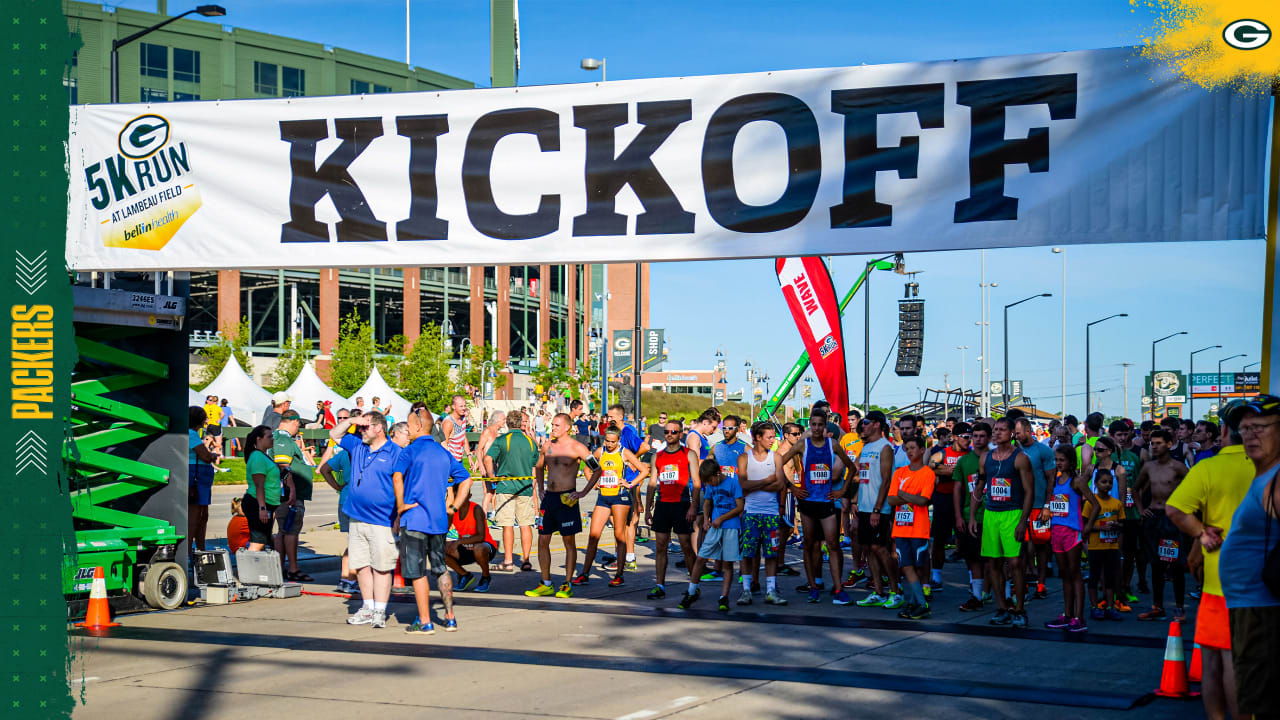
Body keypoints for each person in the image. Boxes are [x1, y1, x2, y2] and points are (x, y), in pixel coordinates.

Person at [1166, 401, 1253, 720]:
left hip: (1219, 580)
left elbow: (1176, 510)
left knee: (1217, 662)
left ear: (1226, 432)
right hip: (1263, 584)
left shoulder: (1209, 467)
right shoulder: (1269, 467)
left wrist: (1202, 534)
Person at [1217, 394, 1280, 720]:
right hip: (1253, 605)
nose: (1249, 436)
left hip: (1262, 609)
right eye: (1245, 428)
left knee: (1257, 699)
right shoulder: (1265, 475)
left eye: (1261, 428)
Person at [394, 407, 471, 634]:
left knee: (417, 572)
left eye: (408, 426)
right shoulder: (442, 452)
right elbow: (465, 480)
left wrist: (400, 506)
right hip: (438, 520)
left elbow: (397, 477)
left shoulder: (408, 451)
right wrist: (454, 506)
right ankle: (450, 617)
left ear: (418, 426)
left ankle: (425, 620)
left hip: (414, 519)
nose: (407, 431)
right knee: (440, 568)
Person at [775, 409, 857, 605]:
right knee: (810, 545)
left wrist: (842, 491)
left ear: (825, 425)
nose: (818, 428)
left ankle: (838, 588)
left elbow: (851, 467)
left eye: (821, 424)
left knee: (833, 546)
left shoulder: (833, 444)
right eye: (814, 424)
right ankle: (813, 587)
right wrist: (792, 488)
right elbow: (778, 463)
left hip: (827, 502)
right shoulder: (803, 444)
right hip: (807, 502)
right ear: (810, 426)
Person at [329, 411, 402, 629]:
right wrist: (352, 421)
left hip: (382, 520)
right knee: (361, 565)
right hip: (357, 517)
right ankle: (367, 607)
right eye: (360, 427)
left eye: (366, 427)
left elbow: (403, 486)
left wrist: (399, 516)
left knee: (381, 567)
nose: (361, 430)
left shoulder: (395, 452)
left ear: (378, 428)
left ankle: (380, 611)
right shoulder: (358, 445)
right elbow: (334, 434)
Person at [526, 414, 602, 598]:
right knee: (543, 540)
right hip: (549, 499)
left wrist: (583, 492)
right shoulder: (547, 446)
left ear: (567, 427)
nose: (553, 428)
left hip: (567, 499)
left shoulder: (577, 447)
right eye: (552, 425)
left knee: (569, 542)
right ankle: (546, 583)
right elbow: (538, 466)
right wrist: (541, 488)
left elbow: (597, 469)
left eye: (557, 425)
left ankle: (567, 583)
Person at [974, 417, 1035, 628]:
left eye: (1001, 430)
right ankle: (1002, 608)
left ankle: (1019, 608)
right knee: (993, 563)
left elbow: (1029, 492)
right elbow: (980, 486)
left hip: (1013, 513)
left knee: (1016, 563)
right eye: (995, 430)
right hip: (991, 513)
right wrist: (973, 515)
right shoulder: (985, 458)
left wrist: (1022, 521)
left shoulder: (1020, 458)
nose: (997, 433)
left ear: (1011, 433)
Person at [577, 427, 648, 586]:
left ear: (618, 441)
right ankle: (585, 573)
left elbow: (643, 470)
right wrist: (593, 482)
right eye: (607, 441)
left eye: (612, 442)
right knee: (593, 535)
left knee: (619, 535)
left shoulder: (624, 453)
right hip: (603, 497)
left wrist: (630, 484)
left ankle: (619, 575)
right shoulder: (600, 452)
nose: (609, 444)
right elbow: (588, 468)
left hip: (620, 498)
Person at [1133, 428, 1190, 620]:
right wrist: (1142, 510)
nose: (1154, 446)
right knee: (1156, 565)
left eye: (1158, 443)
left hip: (1172, 519)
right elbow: (1135, 489)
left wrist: (1183, 511)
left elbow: (1194, 490)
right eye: (1152, 443)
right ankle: (1157, 606)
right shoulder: (1149, 467)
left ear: (1169, 444)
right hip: (1154, 518)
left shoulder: (1178, 467)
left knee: (1175, 564)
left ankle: (1180, 608)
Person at [1044, 445, 1100, 632]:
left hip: (1072, 532)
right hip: (1056, 531)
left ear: (1070, 461)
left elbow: (1095, 505)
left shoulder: (1077, 482)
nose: (1059, 463)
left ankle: (1079, 617)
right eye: (1057, 460)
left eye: (1062, 460)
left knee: (1075, 574)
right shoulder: (1056, 481)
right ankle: (1067, 615)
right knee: (1065, 574)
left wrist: (1088, 527)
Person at [645, 419, 701, 600]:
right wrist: (647, 509)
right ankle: (659, 585)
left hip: (681, 504)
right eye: (667, 432)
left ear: (681, 434)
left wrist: (693, 506)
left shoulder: (688, 454)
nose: (669, 435)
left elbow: (697, 484)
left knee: (686, 546)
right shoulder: (658, 456)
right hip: (662, 505)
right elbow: (652, 483)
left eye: (674, 432)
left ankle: (693, 586)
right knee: (660, 545)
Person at [678, 459, 745, 612]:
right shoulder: (710, 485)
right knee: (701, 558)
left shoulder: (733, 483)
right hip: (715, 526)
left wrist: (722, 518)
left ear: (718, 474)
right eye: (706, 482)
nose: (709, 484)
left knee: (727, 564)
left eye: (710, 480)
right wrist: (707, 519)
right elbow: (707, 502)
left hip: (731, 527)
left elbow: (740, 507)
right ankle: (691, 592)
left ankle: (724, 597)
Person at [855, 411, 904, 608]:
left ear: (876, 424)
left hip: (879, 508)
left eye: (865, 422)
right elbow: (861, 474)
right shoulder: (866, 447)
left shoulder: (885, 447)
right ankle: (878, 591)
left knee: (881, 549)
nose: (862, 426)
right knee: (868, 549)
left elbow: (886, 480)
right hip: (864, 506)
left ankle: (895, 590)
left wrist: (877, 508)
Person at [737, 421, 788, 606]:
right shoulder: (744, 458)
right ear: (757, 438)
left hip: (771, 513)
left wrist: (754, 484)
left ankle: (771, 590)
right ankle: (746, 590)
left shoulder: (776, 457)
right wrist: (767, 479)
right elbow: (743, 485)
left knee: (771, 554)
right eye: (769, 437)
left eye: (773, 437)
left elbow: (780, 484)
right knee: (748, 553)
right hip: (751, 512)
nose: (773, 440)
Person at [887, 436, 936, 619]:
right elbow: (891, 499)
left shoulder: (927, 473)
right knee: (906, 566)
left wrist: (902, 494)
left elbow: (924, 501)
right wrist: (910, 496)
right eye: (906, 448)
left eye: (913, 448)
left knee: (918, 566)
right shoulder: (899, 472)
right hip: (900, 528)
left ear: (922, 450)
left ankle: (917, 603)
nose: (909, 451)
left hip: (919, 528)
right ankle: (919, 604)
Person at [485, 410, 539, 572]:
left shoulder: (502, 440)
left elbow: (488, 458)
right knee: (525, 524)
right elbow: (536, 463)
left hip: (506, 487)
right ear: (520, 423)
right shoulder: (530, 442)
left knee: (507, 525)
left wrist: (491, 476)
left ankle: (508, 561)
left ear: (508, 423)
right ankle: (526, 560)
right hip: (525, 487)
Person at [272, 410, 316, 583]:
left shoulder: (276, 437)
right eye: (298, 424)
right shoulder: (283, 438)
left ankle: (281, 568)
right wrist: (292, 489)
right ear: (293, 422)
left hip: (283, 493)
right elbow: (283, 464)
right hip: (288, 495)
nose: (298, 428)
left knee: (283, 530)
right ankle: (293, 569)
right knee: (290, 530)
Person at [1016, 417, 1057, 600]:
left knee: (1042, 547)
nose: (1015, 436)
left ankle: (1041, 585)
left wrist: (1047, 506)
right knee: (1021, 548)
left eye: (1018, 433)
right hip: (1018, 507)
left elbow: (1051, 479)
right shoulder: (1013, 451)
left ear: (1027, 431)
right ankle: (1022, 583)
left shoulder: (1043, 451)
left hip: (1039, 507)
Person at [1110, 419, 1148, 606]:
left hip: (1132, 512)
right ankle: (1112, 588)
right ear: (1112, 436)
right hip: (1111, 512)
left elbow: (1146, 480)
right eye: (1119, 435)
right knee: (1113, 552)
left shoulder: (1139, 454)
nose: (1123, 438)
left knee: (1130, 552)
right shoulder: (1108, 456)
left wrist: (1141, 505)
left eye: (1126, 434)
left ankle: (1126, 586)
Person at [926, 422, 966, 594]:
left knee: (968, 542)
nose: (969, 439)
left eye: (970, 436)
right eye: (965, 436)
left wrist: (949, 471)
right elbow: (929, 466)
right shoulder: (944, 452)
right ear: (955, 437)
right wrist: (946, 470)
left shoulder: (971, 454)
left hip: (964, 500)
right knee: (939, 541)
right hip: (943, 499)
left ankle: (975, 581)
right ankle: (936, 578)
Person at [952, 422, 988, 611]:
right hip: (969, 517)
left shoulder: (996, 458)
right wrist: (958, 516)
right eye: (975, 436)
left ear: (989, 438)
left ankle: (1005, 596)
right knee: (972, 558)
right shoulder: (964, 462)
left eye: (982, 436)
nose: (978, 439)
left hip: (992, 516)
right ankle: (976, 595)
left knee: (995, 561)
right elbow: (957, 490)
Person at [1083, 468, 1125, 622]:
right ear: (1095, 484)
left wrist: (1116, 526)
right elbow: (1085, 526)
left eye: (1110, 482)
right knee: (1094, 577)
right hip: (1095, 547)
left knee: (1110, 579)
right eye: (1103, 482)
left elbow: (1122, 524)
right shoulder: (1090, 503)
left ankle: (1109, 607)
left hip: (1111, 547)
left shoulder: (1117, 504)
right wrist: (1101, 528)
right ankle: (1094, 607)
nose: (1107, 485)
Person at [242, 425, 289, 552]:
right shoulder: (257, 457)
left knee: (266, 538)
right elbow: (259, 486)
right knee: (258, 543)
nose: (272, 439)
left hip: (267, 504)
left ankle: (272, 566)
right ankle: (247, 570)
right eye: (269, 436)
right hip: (257, 503)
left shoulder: (263, 456)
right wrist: (262, 508)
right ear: (259, 439)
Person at [318, 441, 357, 594]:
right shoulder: (365, 454)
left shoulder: (343, 454)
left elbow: (324, 469)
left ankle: (345, 577)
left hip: (345, 497)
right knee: (358, 543)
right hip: (358, 501)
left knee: (352, 541)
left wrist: (337, 486)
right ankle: (351, 579)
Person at [447, 491, 498, 594]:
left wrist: (458, 542)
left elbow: (481, 536)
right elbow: (443, 530)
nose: (460, 499)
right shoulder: (453, 512)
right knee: (439, 549)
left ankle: (485, 577)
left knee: (479, 548)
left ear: (469, 496)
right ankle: (464, 575)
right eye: (457, 497)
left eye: (462, 496)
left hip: (485, 546)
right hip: (466, 546)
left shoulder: (476, 509)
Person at [188, 407, 218, 553]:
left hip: (199, 477)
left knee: (202, 516)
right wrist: (212, 455)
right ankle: (191, 550)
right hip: (197, 477)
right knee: (195, 517)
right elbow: (204, 456)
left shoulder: (191, 434)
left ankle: (200, 549)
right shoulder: (191, 434)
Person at [474, 410, 507, 523]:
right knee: (489, 492)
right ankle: (483, 517)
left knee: (493, 491)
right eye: (503, 419)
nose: (505, 422)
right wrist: (481, 465)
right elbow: (479, 450)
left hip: (495, 465)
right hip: (488, 465)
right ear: (497, 420)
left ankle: (493, 514)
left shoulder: (497, 433)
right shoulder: (488, 431)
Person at [440, 394, 472, 466]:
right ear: (453, 407)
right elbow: (443, 443)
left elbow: (463, 437)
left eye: (464, 405)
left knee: (467, 477)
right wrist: (450, 462)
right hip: (450, 461)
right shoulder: (448, 422)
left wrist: (469, 455)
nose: (464, 408)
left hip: (459, 461)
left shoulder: (463, 418)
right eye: (461, 406)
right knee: (467, 477)